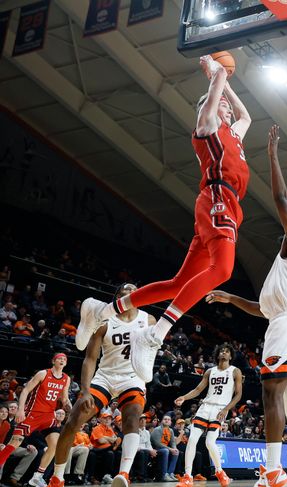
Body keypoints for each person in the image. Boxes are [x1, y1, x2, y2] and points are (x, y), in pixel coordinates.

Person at [74, 54, 252, 384]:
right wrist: (216, 76)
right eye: (221, 102)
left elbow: (247, 116)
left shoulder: (235, 134)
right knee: (224, 269)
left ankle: (102, 310)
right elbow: (214, 99)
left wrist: (225, 80)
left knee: (177, 284)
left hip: (226, 204)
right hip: (216, 199)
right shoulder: (207, 125)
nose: (226, 106)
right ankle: (157, 333)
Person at [207, 124, 287, 487]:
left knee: (272, 394)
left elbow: (282, 200)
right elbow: (262, 309)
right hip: (281, 323)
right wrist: (230, 298)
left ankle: (272, 470)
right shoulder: (282, 269)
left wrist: (272, 156)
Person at [37, 283, 155, 487]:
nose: (129, 293)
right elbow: (90, 358)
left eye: (133, 290)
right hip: (105, 376)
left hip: (132, 377)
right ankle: (57, 479)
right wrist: (84, 390)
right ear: (117, 297)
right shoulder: (104, 320)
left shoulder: (148, 319)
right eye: (124, 291)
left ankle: (123, 475)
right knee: (73, 421)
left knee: (131, 418)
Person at [174, 343, 242, 487]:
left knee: (210, 442)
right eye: (221, 351)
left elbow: (238, 395)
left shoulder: (235, 371)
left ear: (230, 356)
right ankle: (188, 476)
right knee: (192, 439)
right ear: (218, 355)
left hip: (219, 409)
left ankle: (220, 471)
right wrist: (184, 397)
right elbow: (198, 389)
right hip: (205, 407)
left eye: (227, 351)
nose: (224, 353)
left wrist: (226, 409)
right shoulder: (210, 371)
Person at [0, 353, 71, 472]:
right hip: (32, 412)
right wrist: (21, 409)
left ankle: (38, 475)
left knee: (55, 445)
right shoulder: (43, 373)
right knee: (16, 441)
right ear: (53, 361)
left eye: (64, 359)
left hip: (48, 415)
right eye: (59, 358)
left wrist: (71, 408)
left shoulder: (66, 379)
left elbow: (64, 399)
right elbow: (26, 390)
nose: (62, 360)